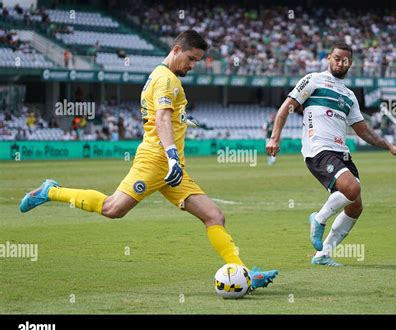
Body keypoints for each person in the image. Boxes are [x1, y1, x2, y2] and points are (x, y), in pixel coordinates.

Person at [20, 30, 277, 291]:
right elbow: (161, 119)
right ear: (176, 49)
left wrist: (182, 127)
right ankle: (50, 191)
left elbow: (169, 117)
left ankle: (243, 273)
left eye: (197, 61)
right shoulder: (165, 79)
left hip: (171, 167)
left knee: (214, 216)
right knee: (113, 209)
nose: (193, 65)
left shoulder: (164, 77)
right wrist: (172, 155)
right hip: (156, 160)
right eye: (191, 58)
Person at [266, 42, 396, 266]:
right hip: (318, 148)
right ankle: (319, 218)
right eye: (336, 58)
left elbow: (363, 130)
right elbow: (286, 107)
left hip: (341, 152)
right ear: (329, 58)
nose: (340, 62)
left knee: (355, 205)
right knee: (352, 188)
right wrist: (274, 137)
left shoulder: (349, 95)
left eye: (345, 60)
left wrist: (388, 146)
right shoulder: (313, 80)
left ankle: (323, 255)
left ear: (350, 63)